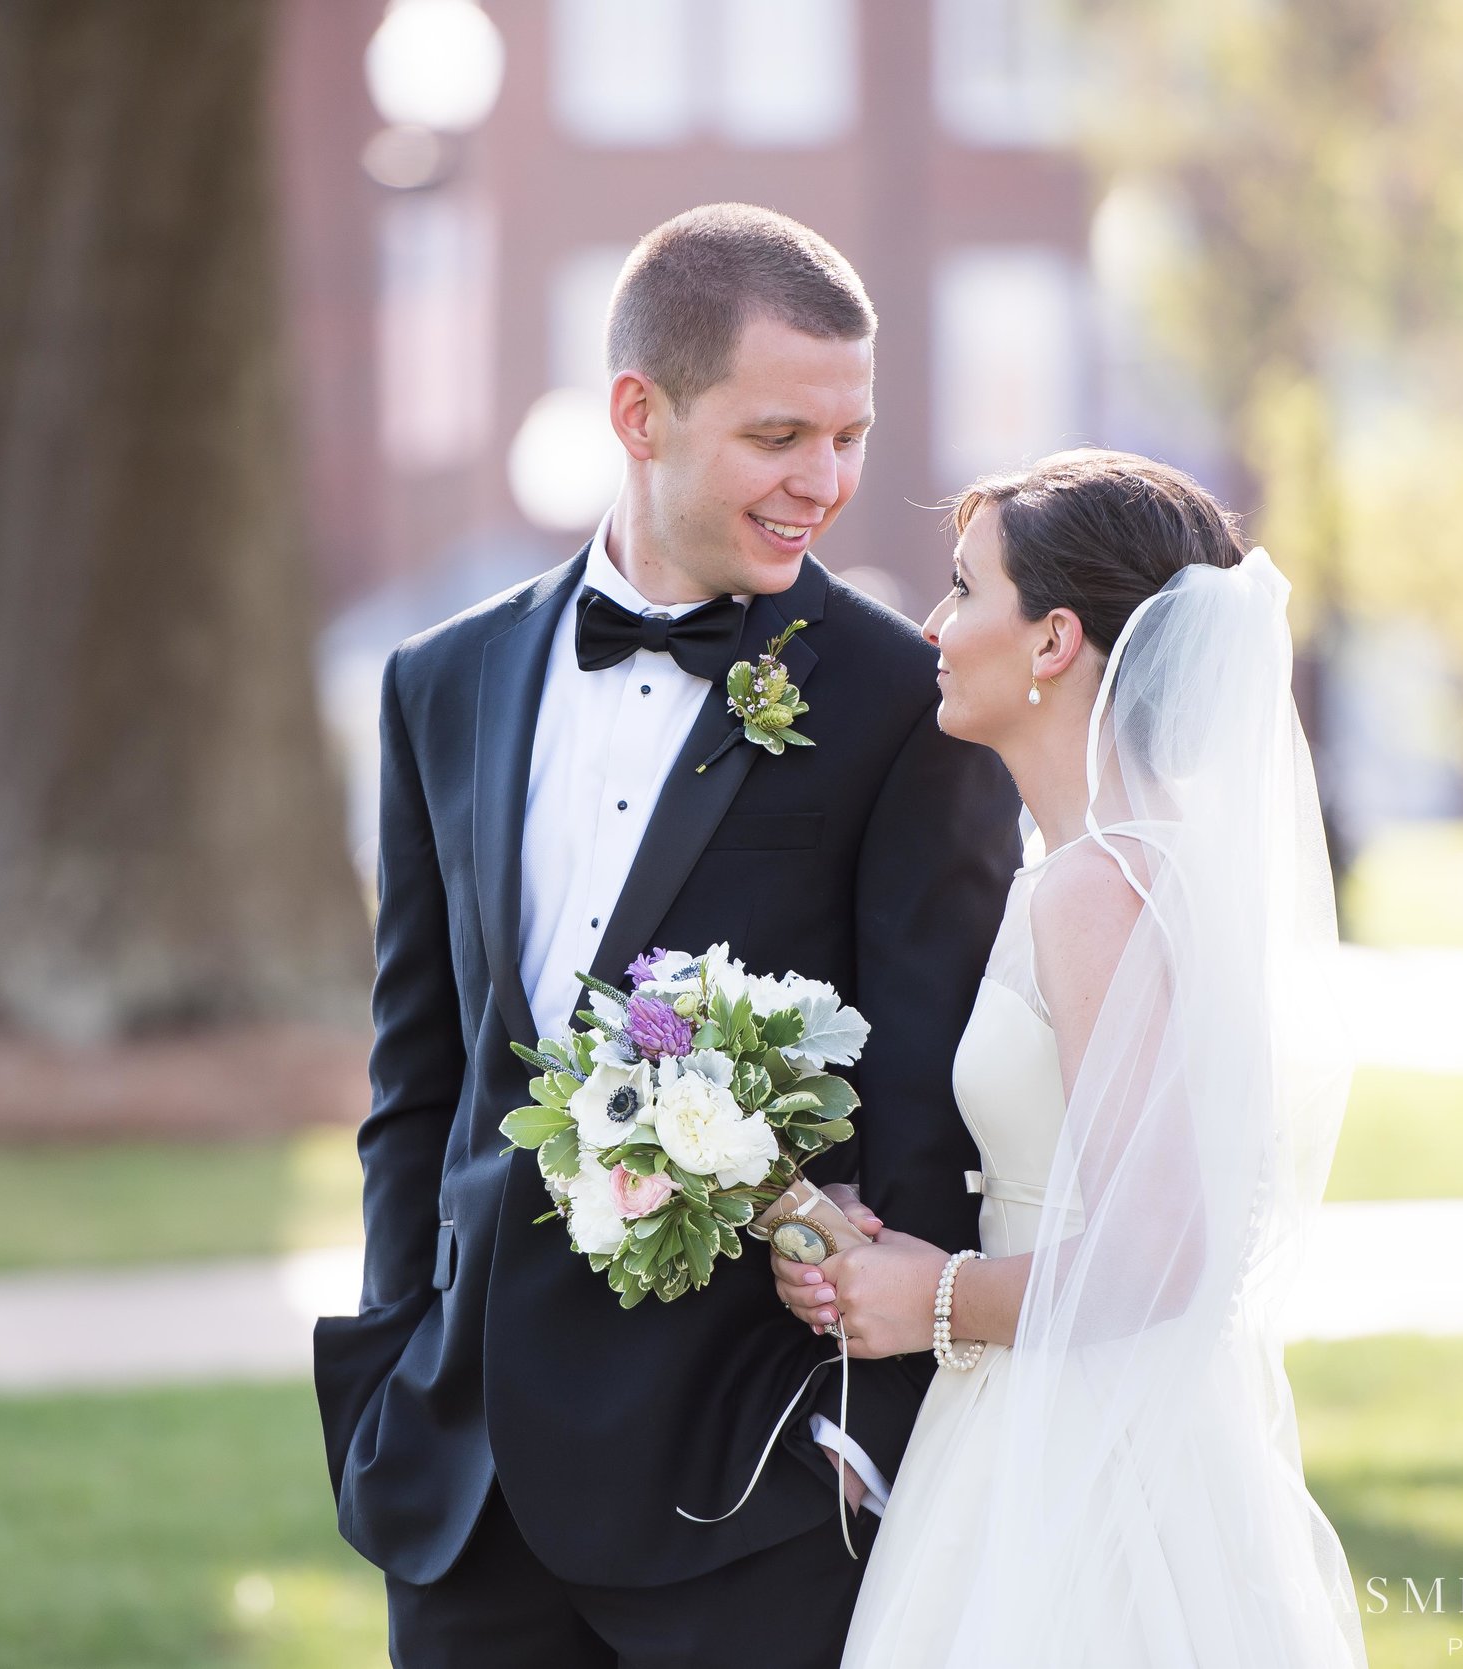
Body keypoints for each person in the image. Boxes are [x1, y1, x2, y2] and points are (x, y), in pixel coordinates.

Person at [312, 203, 1019, 1667]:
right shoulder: (439, 682)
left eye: (850, 435)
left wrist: (858, 1447)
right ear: (640, 412)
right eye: (780, 438)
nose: (825, 482)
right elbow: (416, 1080)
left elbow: (925, 1113)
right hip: (465, 1482)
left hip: (749, 1488)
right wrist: (393, 1369)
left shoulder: (903, 704)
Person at [779, 449, 1370, 1666]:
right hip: (1070, 1402)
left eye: (962, 588)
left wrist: (931, 1299)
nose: (934, 626)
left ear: (1052, 641)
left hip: (1086, 1447)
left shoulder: (1098, 886)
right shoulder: (1101, 866)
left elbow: (1161, 1254)